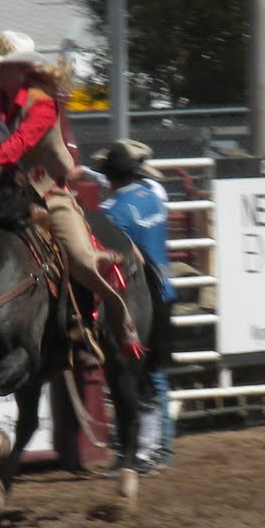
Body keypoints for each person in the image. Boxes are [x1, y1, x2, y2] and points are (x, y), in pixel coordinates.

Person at [0, 30, 141, 359]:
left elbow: (19, 144)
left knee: (79, 256)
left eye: (2, 66)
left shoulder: (43, 105)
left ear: (21, 70)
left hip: (48, 194)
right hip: (6, 193)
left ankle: (100, 319)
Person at [99, 142, 177, 471]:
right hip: (164, 290)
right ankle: (159, 448)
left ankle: (146, 449)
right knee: (153, 373)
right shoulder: (151, 197)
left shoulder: (113, 211)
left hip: (138, 297)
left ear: (110, 178)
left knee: (134, 375)